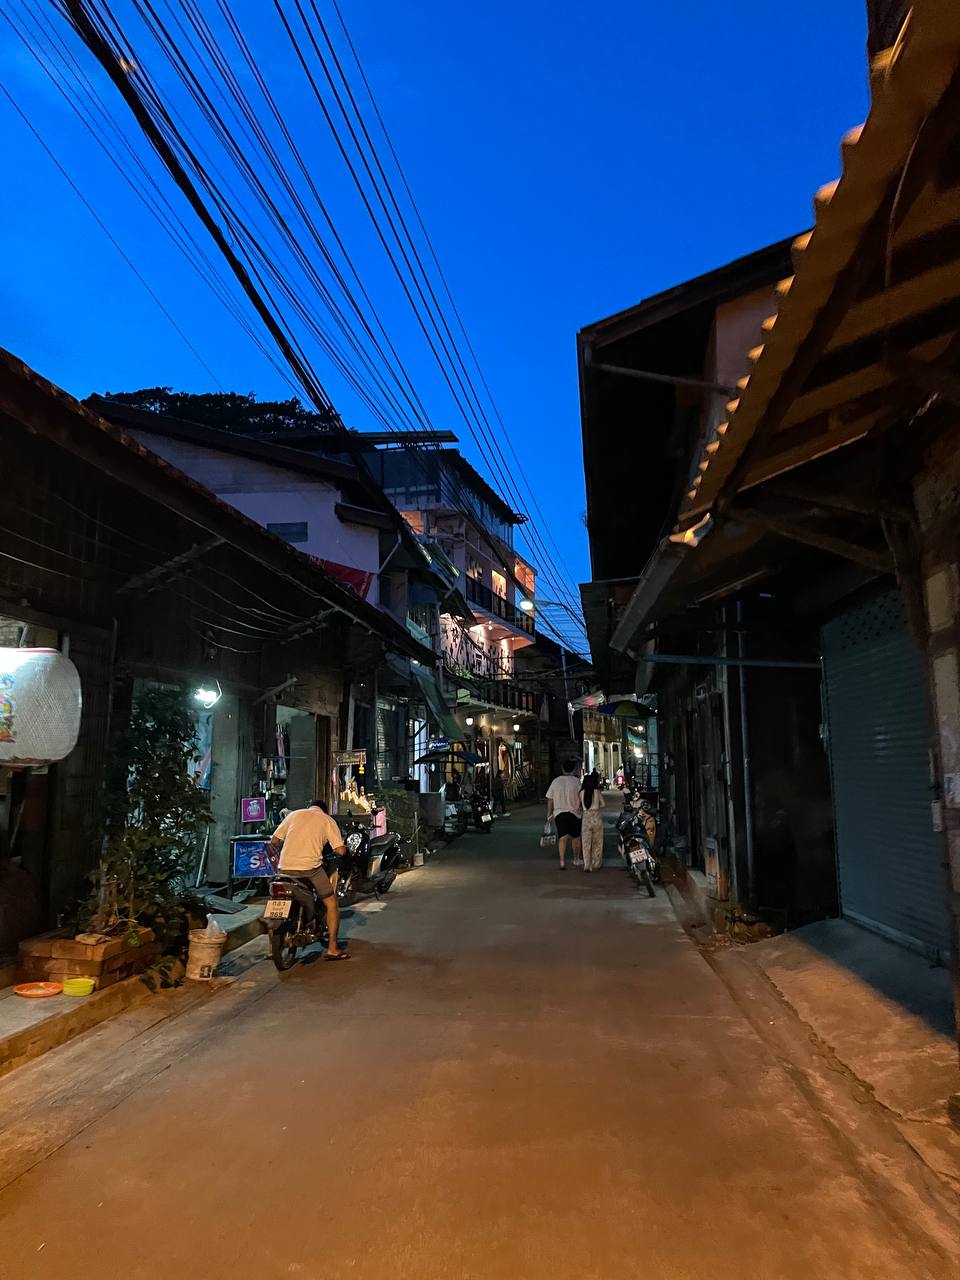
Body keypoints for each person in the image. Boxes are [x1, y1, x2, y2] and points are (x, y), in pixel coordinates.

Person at [271, 799, 349, 961]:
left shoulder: (294, 815)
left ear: (309, 808)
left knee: (274, 902)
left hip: (284, 868)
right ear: (324, 810)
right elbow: (340, 850)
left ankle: (270, 949)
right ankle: (333, 949)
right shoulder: (327, 820)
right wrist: (343, 850)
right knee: (331, 903)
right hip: (310, 869)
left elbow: (274, 841)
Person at [545, 760, 583, 870]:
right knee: (576, 837)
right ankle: (576, 860)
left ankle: (562, 861)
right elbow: (581, 797)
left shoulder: (556, 781)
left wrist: (549, 814)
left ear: (562, 769)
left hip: (559, 813)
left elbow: (550, 799)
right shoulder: (577, 782)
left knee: (563, 837)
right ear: (573, 769)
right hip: (575, 813)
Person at [580, 771, 606, 872]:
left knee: (586, 842)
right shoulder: (597, 792)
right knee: (597, 842)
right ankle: (596, 863)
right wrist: (596, 806)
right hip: (596, 816)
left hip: (586, 817)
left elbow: (580, 805)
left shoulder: (581, 792)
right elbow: (603, 804)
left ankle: (587, 865)